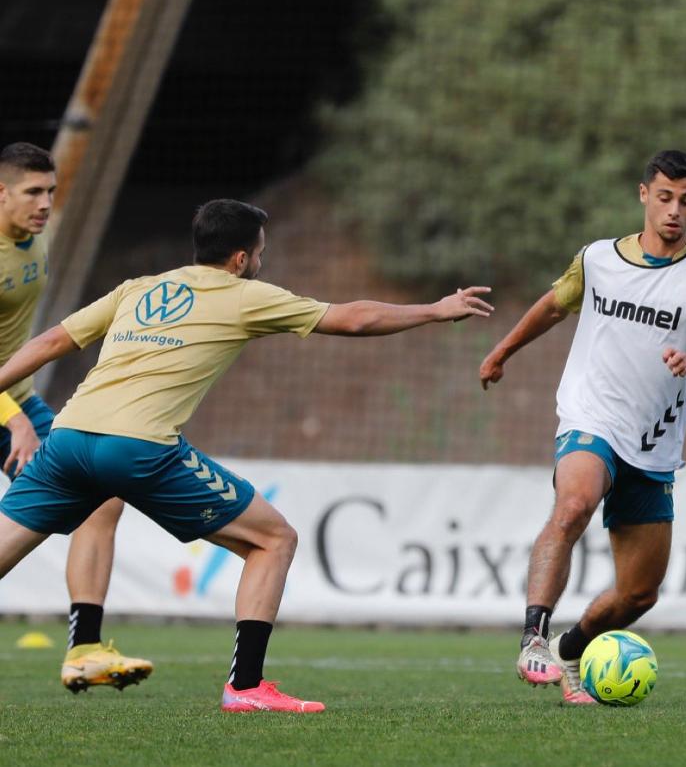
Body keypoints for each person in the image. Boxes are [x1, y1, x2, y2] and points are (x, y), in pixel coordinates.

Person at [0, 198, 492, 712]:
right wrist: (434, 310)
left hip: (69, 436)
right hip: (139, 446)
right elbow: (351, 320)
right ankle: (246, 686)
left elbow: (55, 340)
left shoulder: (138, 288)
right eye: (260, 252)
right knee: (273, 539)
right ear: (240, 259)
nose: (261, 261)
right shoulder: (242, 295)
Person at [480, 150, 686, 704]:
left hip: (652, 447)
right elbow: (556, 306)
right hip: (590, 415)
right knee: (575, 502)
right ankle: (533, 635)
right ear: (643, 194)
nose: (675, 210)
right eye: (666, 197)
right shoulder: (598, 259)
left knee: (637, 594)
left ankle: (568, 650)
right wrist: (503, 350)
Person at [0, 142, 150, 693]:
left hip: (20, 403)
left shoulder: (31, 241)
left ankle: (85, 649)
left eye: (50, 191)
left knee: (102, 496)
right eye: (33, 192)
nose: (44, 203)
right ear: (1, 192)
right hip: (8, 411)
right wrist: (13, 418)